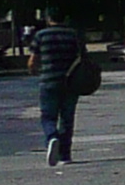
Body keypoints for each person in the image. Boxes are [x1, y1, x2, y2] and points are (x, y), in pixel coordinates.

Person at [31, 18, 91, 166]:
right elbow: (84, 57)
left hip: (48, 82)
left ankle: (52, 137)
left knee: (48, 117)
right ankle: (65, 155)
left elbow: (33, 61)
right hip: (71, 82)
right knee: (67, 118)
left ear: (48, 18)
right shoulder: (74, 35)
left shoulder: (41, 35)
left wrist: (36, 71)